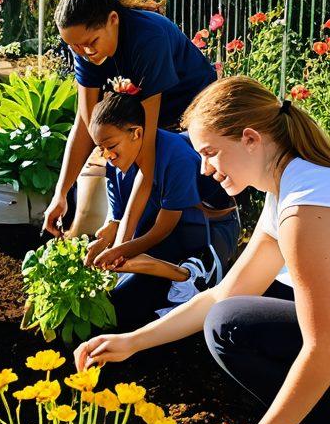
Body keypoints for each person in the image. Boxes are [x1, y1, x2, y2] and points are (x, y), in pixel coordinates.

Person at [73, 76, 330, 424]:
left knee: (237, 327)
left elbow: (326, 350)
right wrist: (132, 341)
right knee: (240, 311)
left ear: (250, 139)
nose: (205, 170)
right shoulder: (292, 189)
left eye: (210, 153)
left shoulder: (306, 209)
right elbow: (222, 294)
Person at [44, 0, 221, 253]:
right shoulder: (85, 49)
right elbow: (87, 127)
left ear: (113, 19)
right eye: (74, 47)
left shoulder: (147, 39)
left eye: (90, 42)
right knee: (121, 154)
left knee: (172, 182)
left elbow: (147, 151)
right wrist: (60, 194)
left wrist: (122, 246)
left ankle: (200, 254)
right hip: (151, 116)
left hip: (195, 113)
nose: (84, 53)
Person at [85, 90, 240, 330]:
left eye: (112, 146)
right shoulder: (115, 162)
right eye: (101, 149)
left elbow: (164, 227)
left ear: (137, 133)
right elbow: (119, 218)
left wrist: (120, 251)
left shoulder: (176, 157)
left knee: (147, 305)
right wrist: (103, 240)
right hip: (157, 238)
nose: (108, 156)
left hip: (203, 233)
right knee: (116, 302)